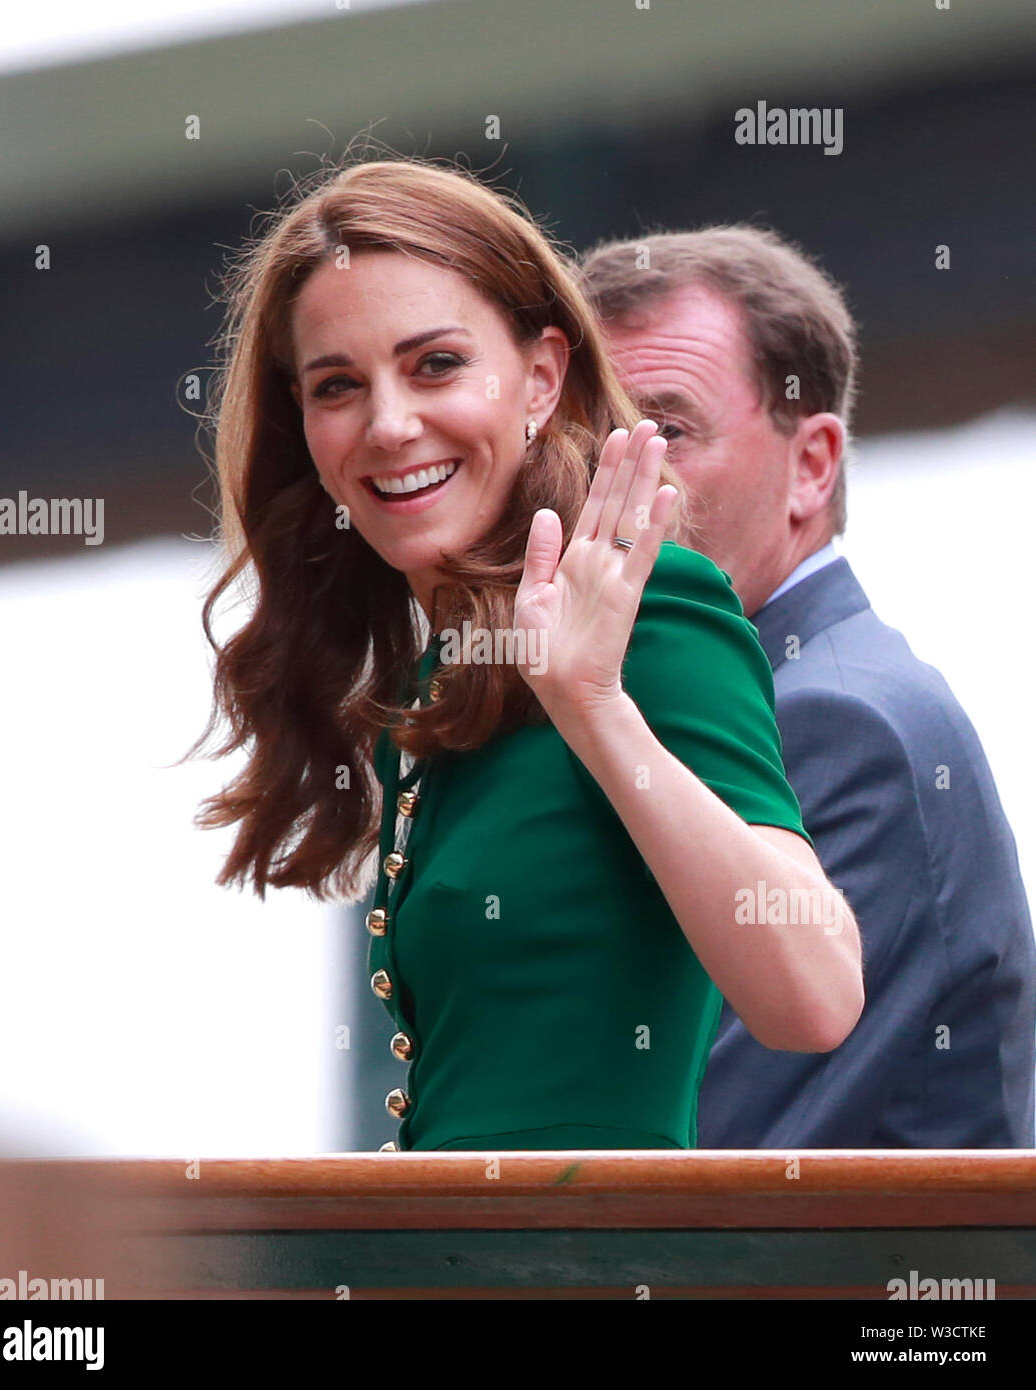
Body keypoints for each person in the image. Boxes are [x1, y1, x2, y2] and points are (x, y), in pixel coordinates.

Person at [185, 160, 862, 1153]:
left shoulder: (647, 606)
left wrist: (591, 700)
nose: (388, 424)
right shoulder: (429, 686)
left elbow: (816, 992)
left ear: (541, 378)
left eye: (435, 365)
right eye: (339, 386)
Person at [577, 224, 1036, 1147]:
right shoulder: (739, 701)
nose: (609, 483)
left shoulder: (830, 723)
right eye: (584, 438)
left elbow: (690, 1161)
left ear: (813, 464)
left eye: (663, 432)